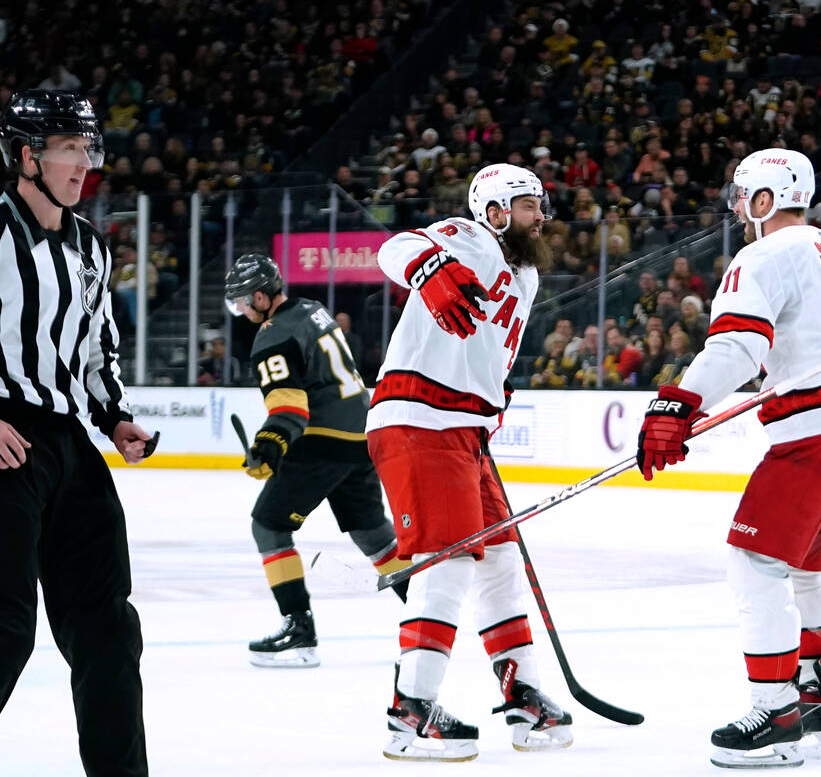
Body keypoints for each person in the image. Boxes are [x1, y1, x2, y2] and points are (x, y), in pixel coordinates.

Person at [635, 149, 821, 769]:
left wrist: (675, 404)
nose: (739, 209)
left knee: (755, 561)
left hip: (818, 435)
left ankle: (777, 712)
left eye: (744, 197)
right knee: (806, 568)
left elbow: (737, 345)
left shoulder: (760, 256)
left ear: (765, 199)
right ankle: (818, 710)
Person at [368, 163, 572, 761]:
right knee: (447, 562)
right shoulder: (473, 238)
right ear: (498, 210)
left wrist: (491, 396)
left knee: (500, 562)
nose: (542, 215)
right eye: (530, 205)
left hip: (464, 431)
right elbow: (396, 247)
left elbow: (484, 350)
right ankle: (410, 713)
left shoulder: (524, 275)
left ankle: (523, 691)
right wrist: (428, 269)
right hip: (420, 418)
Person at [0, 89, 154, 776]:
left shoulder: (90, 248)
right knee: (5, 633)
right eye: (68, 146)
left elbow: (96, 352)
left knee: (108, 631)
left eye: (87, 146)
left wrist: (114, 416)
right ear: (27, 156)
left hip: (69, 444)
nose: (83, 162)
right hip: (6, 443)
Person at [222, 253, 407, 668]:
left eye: (241, 302)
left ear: (259, 295)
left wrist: (269, 448)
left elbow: (291, 407)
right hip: (361, 436)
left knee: (268, 526)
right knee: (373, 534)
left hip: (323, 442)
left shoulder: (273, 335)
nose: (240, 311)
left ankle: (299, 631)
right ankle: (427, 611)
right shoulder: (313, 310)